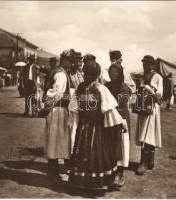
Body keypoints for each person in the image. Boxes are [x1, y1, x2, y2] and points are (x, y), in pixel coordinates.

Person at [68, 60, 127, 190]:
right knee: (95, 153)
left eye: (89, 74)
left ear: (94, 75)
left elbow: (109, 109)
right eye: (86, 73)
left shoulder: (97, 88)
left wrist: (121, 122)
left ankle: (87, 182)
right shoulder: (87, 88)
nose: (86, 76)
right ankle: (87, 182)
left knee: (92, 153)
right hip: (92, 128)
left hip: (92, 127)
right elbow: (75, 109)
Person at [43, 50, 72, 184]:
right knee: (55, 140)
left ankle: (53, 171)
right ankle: (53, 173)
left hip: (56, 109)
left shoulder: (59, 71)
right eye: (69, 60)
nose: (70, 63)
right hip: (57, 110)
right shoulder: (61, 74)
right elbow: (57, 93)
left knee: (55, 139)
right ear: (63, 60)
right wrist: (47, 107)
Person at [135, 55, 163, 175]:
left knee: (149, 133)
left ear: (152, 65)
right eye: (144, 63)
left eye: (147, 63)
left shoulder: (157, 77)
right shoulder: (143, 76)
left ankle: (145, 162)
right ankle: (148, 160)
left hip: (151, 107)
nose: (145, 65)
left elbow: (159, 94)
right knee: (143, 133)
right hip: (143, 107)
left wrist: (148, 89)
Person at [105, 63, 131, 187]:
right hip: (109, 119)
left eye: (116, 72)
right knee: (110, 144)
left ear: (120, 74)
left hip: (121, 119)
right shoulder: (107, 86)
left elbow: (121, 103)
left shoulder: (124, 87)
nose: (113, 74)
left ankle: (120, 173)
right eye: (111, 72)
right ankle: (110, 171)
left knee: (121, 144)